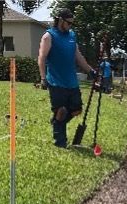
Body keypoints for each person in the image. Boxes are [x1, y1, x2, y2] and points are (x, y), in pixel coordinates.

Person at [37, 8, 96, 148]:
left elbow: (78, 56)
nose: (70, 26)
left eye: (72, 23)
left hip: (72, 81)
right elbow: (41, 58)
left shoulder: (71, 36)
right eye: (69, 23)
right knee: (62, 111)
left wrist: (90, 71)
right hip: (56, 81)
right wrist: (43, 78)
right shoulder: (48, 36)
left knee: (77, 110)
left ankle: (57, 121)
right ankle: (60, 142)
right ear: (61, 20)